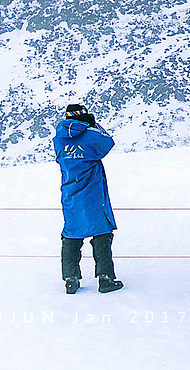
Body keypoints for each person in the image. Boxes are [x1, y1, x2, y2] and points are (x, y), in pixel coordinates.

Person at [53, 104, 123, 294]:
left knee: (71, 235)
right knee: (102, 233)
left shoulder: (58, 139)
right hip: (92, 193)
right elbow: (108, 142)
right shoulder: (91, 137)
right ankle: (105, 278)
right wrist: (93, 125)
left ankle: (70, 278)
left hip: (70, 194)